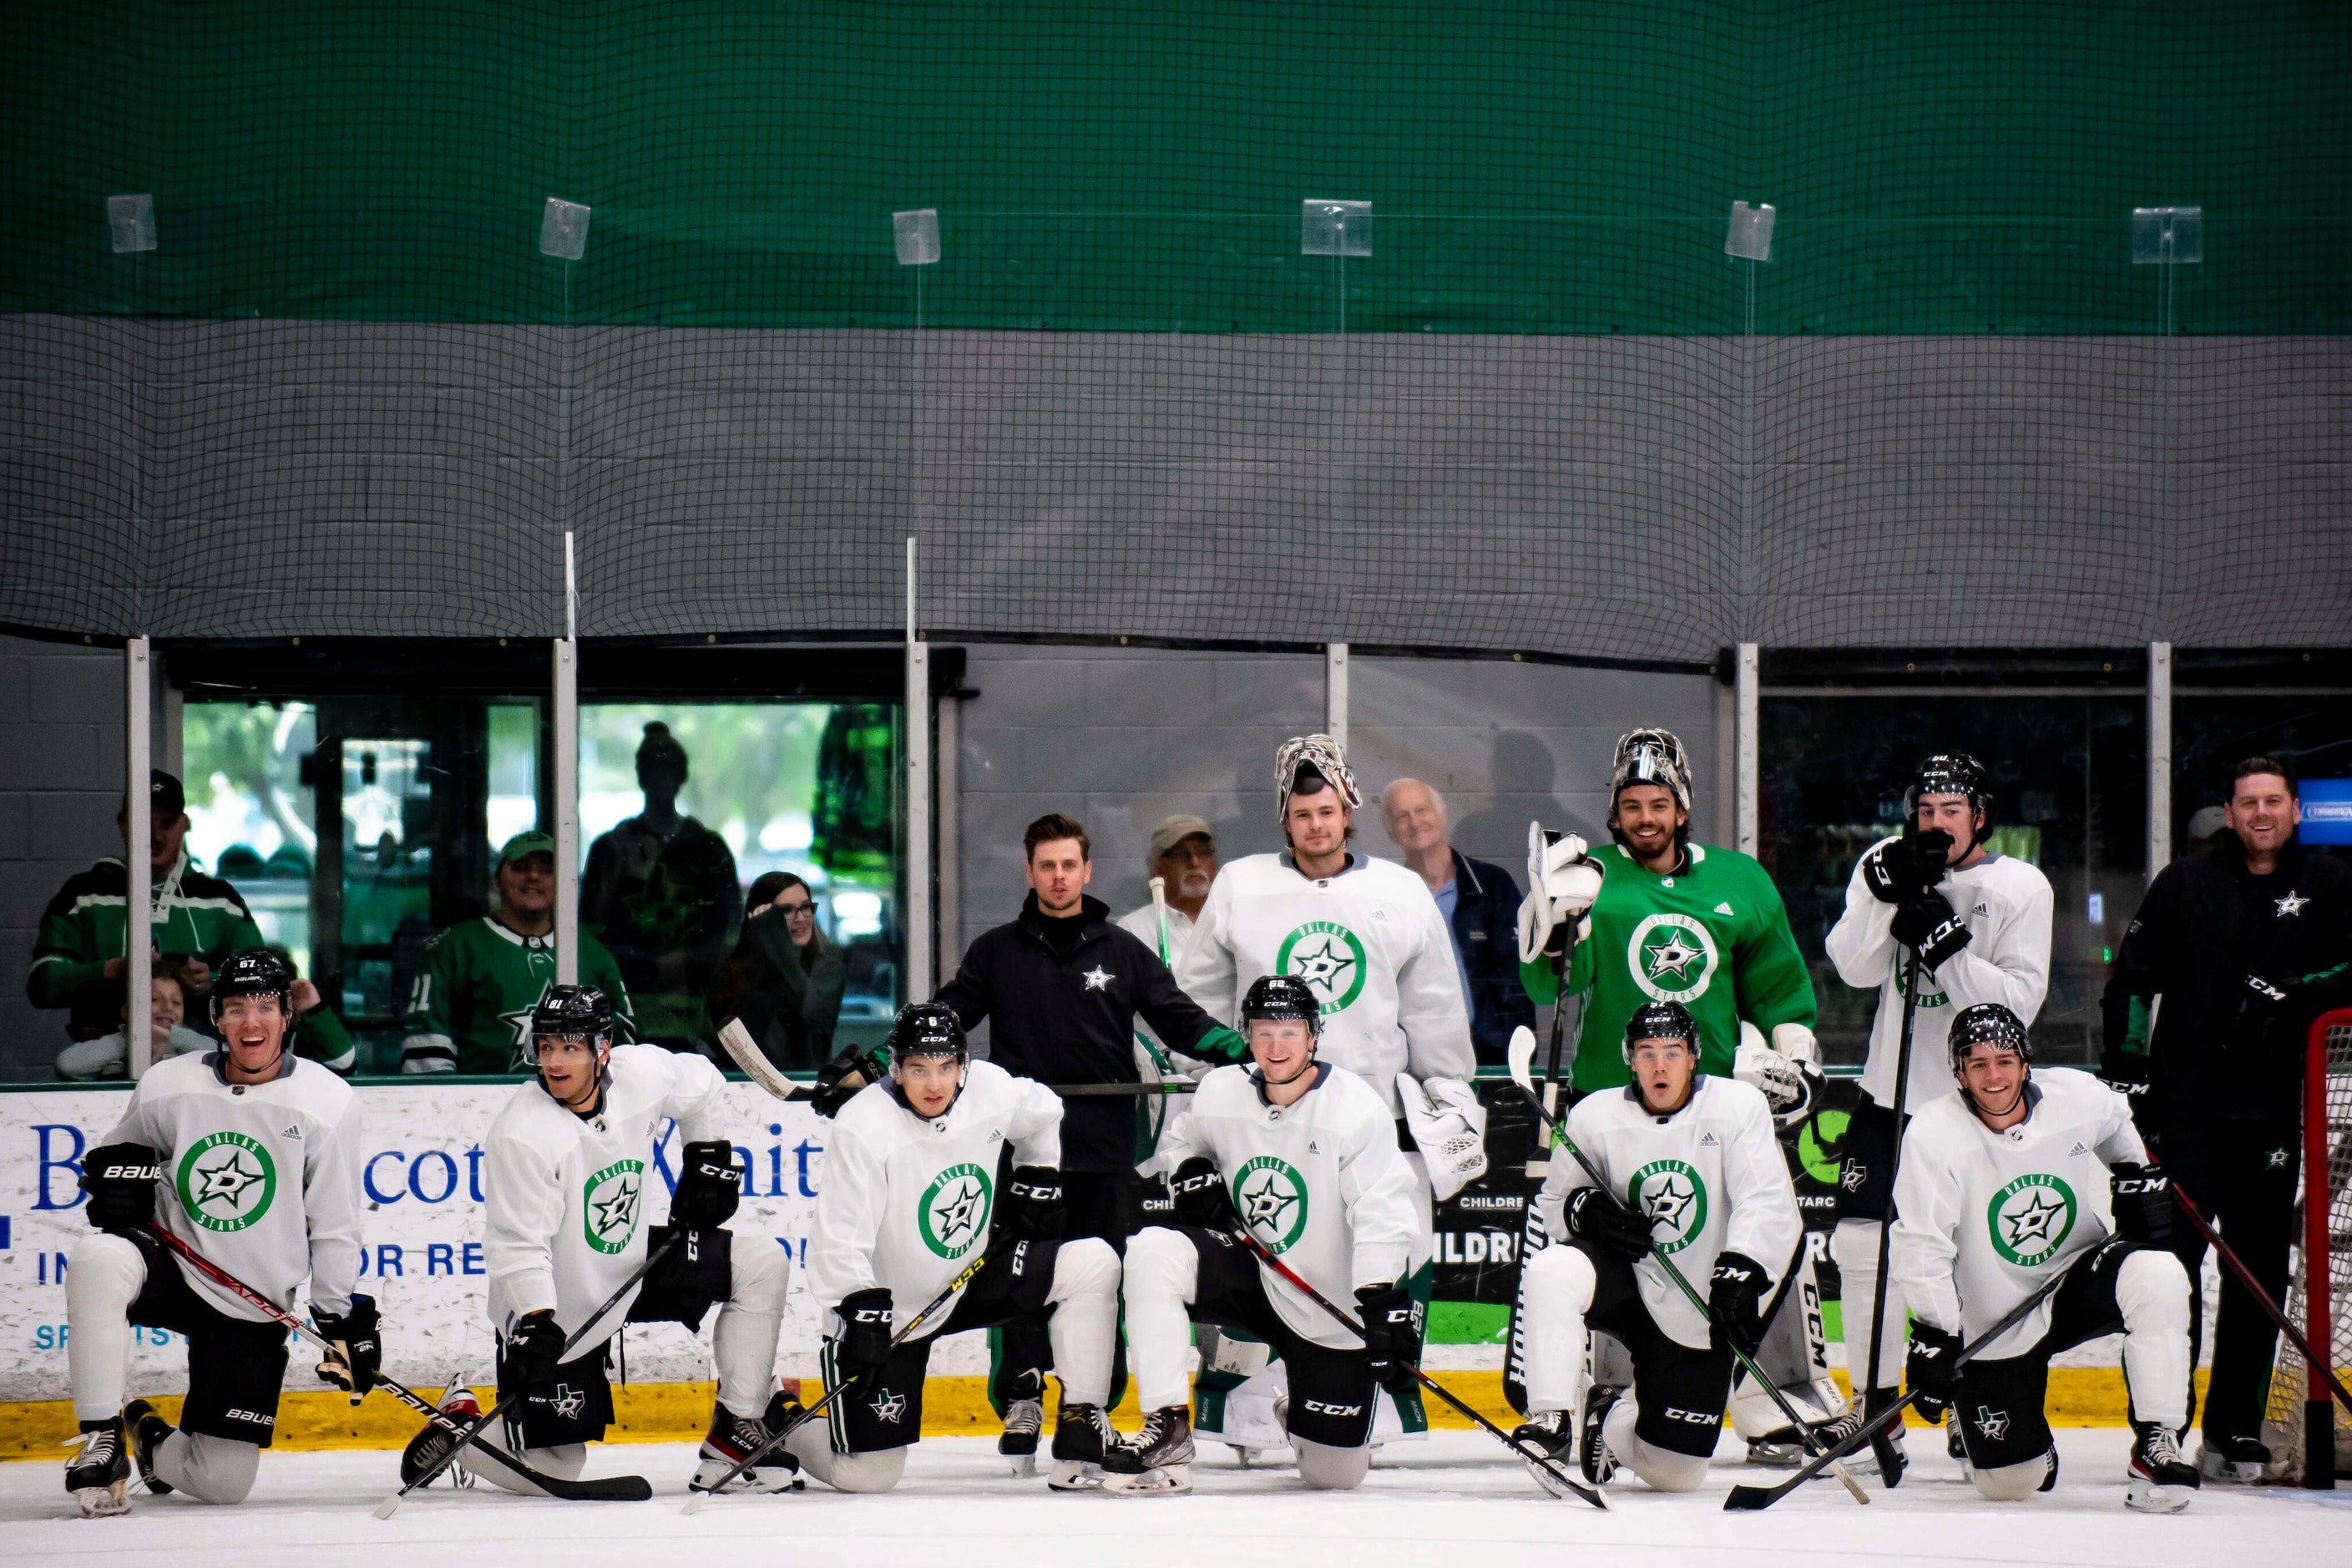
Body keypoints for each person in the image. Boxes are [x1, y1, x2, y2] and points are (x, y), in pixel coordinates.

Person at [840, 813, 1242, 1466]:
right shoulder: (995, 950)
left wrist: (1237, 1049)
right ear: (1029, 873)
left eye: (1068, 865)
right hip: (1021, 1152)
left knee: (1102, 1279)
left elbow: (1179, 1019)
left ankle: (1089, 1408)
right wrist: (870, 1066)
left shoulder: (1120, 951)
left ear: (1086, 871)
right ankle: (1022, 1395)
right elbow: (944, 1019)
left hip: (1106, 1151)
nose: (1058, 877)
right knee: (1018, 1278)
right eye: (1046, 866)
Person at [1512, 728, 1829, 1459]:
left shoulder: (1740, 881)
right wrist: (1552, 924)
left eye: (1659, 803)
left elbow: (1778, 986)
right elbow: (1545, 984)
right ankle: (1605, 1400)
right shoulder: (1588, 877)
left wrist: (1798, 1055)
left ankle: (1777, 1398)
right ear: (1614, 813)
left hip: (1719, 1106)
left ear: (1681, 810)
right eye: (1631, 805)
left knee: (1762, 1235)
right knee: (1622, 1254)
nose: (1645, 817)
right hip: (1612, 1104)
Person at [1173, 735, 1479, 1453]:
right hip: (1264, 1111)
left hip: (1368, 1112)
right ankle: (1237, 1403)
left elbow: (1432, 1004)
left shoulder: (1398, 891)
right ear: (1285, 819)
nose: (1316, 824)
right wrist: (1207, 1091)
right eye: (1302, 812)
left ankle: (1390, 1401)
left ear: (1349, 813)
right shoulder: (1241, 886)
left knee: (1390, 1244)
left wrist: (1448, 1094)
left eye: (1328, 810)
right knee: (1259, 1244)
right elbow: (1198, 1001)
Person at [401, 984, 797, 1498]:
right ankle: (462, 1426)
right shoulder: (523, 1133)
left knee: (762, 1262)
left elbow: (702, 1081)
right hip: (562, 1302)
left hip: (635, 1264)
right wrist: (535, 1321)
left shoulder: (643, 1075)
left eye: (570, 1046)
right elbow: (517, 1245)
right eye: (546, 1047)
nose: (555, 1061)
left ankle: (734, 1433)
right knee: (558, 1464)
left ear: (602, 1048)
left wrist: (705, 1150)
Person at [2100, 756, 2352, 1481]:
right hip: (2181, 1114)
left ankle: (2233, 1427)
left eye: (2274, 801)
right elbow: (2128, 982)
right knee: (2165, 1273)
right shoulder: (2184, 882)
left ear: (2295, 811)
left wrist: (2293, 994)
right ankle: (2161, 1424)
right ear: (2229, 812)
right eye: (2248, 803)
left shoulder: (2330, 884)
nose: (2261, 814)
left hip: (2274, 1114)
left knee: (2257, 1276)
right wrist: (2125, 1072)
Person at [63, 950, 371, 1515]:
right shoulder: (167, 1085)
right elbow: (113, 1158)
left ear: (287, 1017)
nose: (251, 1023)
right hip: (170, 1265)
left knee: (222, 1482)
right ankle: (102, 1433)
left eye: (265, 1008)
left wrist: (337, 1314)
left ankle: (146, 1436)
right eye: (235, 1009)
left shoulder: (327, 1102)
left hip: (247, 1299)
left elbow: (335, 1222)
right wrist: (114, 1184)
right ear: (216, 1018)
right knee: (98, 1257)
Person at [1820, 752, 2053, 1467]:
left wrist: (1944, 945)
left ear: (1979, 817)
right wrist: (1888, 898)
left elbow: (2014, 1006)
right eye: (1924, 811)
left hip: (1974, 1104)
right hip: (1888, 1096)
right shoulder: (1885, 864)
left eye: (1951, 811)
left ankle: (1965, 1399)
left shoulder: (2020, 886)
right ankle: (1871, 1405)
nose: (1935, 823)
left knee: (1968, 1258)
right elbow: (1851, 967)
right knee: (1861, 1246)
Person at [1105, 975, 1422, 1495]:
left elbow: (1381, 1210)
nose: (1276, 1046)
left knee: (1334, 1477)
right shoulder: (1221, 1090)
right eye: (1264, 1031)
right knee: (1151, 1250)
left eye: (1290, 1032)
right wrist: (1189, 1171)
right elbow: (1183, 1143)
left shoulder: (1354, 1107)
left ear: (1314, 1036)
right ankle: (1168, 1425)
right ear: (1246, 1035)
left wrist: (1378, 1296)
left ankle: (1295, 1408)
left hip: (1324, 1303)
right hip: (1248, 1271)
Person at [795, 1003, 1122, 1493]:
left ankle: (1081, 1423)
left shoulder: (990, 1089)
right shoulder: (863, 1126)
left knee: (1093, 1262)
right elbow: (837, 1239)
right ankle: (787, 1421)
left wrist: (1038, 1171)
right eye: (919, 1069)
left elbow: (1045, 1110)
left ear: (962, 1066)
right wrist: (857, 1309)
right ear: (895, 1068)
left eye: (946, 1067)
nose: (934, 1084)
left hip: (975, 1274)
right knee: (867, 1476)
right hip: (894, 1314)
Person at [1892, 1003, 2199, 1511]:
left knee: (2158, 1273)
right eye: (1978, 1063)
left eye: (2005, 1060)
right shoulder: (1933, 1133)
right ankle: (1991, 1434)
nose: (1994, 1076)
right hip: (1994, 1315)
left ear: (2025, 1063)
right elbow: (1923, 1245)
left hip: (2074, 1277)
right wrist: (1934, 1335)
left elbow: (2122, 1136)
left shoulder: (2078, 1098)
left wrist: (2140, 1180)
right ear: (1959, 1074)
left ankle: (2156, 1440)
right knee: (2009, 1485)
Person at [1510, 1000, 1802, 1493]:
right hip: (1627, 1281)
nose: (1659, 1065)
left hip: (1701, 1301)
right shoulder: (1594, 1116)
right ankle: (1551, 1419)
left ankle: (1608, 1419)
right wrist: (1587, 1211)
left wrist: (1741, 1268)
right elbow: (1555, 1206)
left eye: (1672, 1051)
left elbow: (1767, 1199)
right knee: (1551, 1270)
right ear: (1630, 1059)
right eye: (1646, 1052)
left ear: (1694, 1057)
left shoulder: (1737, 1108)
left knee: (1675, 1473)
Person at [30, 770, 261, 1040]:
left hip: (201, 1065)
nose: (156, 836)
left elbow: (264, 980)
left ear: (185, 824)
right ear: (123, 823)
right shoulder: (82, 895)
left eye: (168, 823)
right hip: (101, 1067)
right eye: (143, 823)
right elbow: (41, 983)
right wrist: (113, 971)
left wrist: (211, 981)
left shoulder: (222, 901)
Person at [401, 831, 634, 1074]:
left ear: (565, 882)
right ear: (496, 880)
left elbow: (623, 1054)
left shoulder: (593, 954)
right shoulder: (454, 948)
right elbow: (426, 1048)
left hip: (570, 1110)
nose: (533, 876)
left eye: (546, 869)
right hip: (479, 1106)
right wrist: (456, 1108)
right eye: (521, 867)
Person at [580, 721, 742, 1045]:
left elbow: (730, 928)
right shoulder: (612, 849)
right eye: (653, 770)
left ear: (682, 776)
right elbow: (589, 933)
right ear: (641, 776)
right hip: (627, 1003)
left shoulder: (708, 850)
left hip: (697, 1011)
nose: (661, 779)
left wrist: (688, 960)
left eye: (668, 769)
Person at [1379, 777, 1536, 1065]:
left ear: (1442, 816)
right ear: (1391, 831)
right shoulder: (1388, 896)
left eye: (1422, 810)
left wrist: (1516, 1052)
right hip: (1420, 1058)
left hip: (1494, 1056)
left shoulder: (1492, 885)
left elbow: (1519, 977)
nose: (1414, 822)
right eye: (1402, 816)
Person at [706, 871, 846, 1071]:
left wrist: (779, 948)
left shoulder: (827, 968)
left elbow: (813, 1013)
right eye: (786, 911)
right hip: (745, 1086)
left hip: (808, 1085)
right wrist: (765, 940)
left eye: (806, 907)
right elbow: (727, 1037)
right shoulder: (734, 972)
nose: (800, 918)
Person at [56, 964, 210, 1080]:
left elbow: (228, 1059)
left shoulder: (191, 1050)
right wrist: (133, 1037)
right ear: (127, 1011)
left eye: (176, 1002)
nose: (168, 1008)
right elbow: (67, 1065)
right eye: (153, 999)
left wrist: (172, 1035)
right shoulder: (115, 1048)